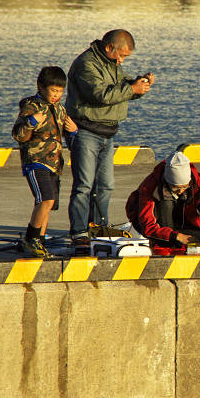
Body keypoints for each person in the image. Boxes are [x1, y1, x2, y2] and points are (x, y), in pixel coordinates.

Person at [65, 29, 154, 244]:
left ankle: (98, 227)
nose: (122, 60)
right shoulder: (87, 64)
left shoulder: (112, 64)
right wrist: (132, 88)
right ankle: (79, 231)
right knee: (84, 185)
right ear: (109, 48)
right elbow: (101, 95)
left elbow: (123, 90)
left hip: (107, 133)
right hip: (85, 131)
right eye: (121, 55)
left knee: (105, 185)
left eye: (125, 57)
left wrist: (139, 85)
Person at [12, 66, 78, 257]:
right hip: (35, 161)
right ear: (41, 87)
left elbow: (68, 138)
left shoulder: (59, 109)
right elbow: (18, 135)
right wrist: (31, 122)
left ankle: (39, 241)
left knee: (48, 204)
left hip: (54, 164)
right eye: (53, 91)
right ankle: (31, 238)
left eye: (60, 91)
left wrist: (73, 132)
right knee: (45, 199)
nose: (57, 95)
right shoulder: (31, 107)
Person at [125, 151, 200, 253]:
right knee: (166, 204)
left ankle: (177, 239)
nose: (180, 191)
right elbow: (147, 226)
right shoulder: (149, 187)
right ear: (167, 182)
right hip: (156, 225)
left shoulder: (198, 182)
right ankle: (166, 241)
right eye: (176, 188)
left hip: (184, 221)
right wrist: (176, 236)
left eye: (185, 187)